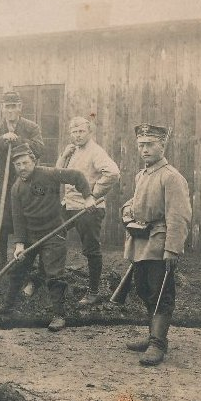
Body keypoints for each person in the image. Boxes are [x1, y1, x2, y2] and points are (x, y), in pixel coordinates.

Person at [0, 143, 96, 332]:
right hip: (31, 236)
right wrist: (19, 244)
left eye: (25, 163)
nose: (22, 167)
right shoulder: (16, 188)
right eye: (18, 164)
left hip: (54, 232)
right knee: (18, 268)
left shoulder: (48, 173)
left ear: (33, 161)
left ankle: (58, 315)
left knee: (54, 274)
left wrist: (88, 197)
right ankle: (7, 306)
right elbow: (18, 218)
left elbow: (77, 176)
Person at [121, 123, 191, 366]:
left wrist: (172, 248)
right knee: (143, 289)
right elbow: (135, 201)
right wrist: (127, 212)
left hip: (160, 243)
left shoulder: (171, 177)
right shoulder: (142, 175)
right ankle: (154, 336)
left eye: (150, 144)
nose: (145, 149)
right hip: (141, 241)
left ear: (162, 145)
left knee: (161, 291)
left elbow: (179, 216)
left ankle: (158, 344)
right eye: (141, 145)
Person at [55, 116, 120, 305]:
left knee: (91, 250)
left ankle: (93, 291)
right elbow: (59, 174)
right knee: (51, 236)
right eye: (74, 132)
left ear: (89, 132)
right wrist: (64, 155)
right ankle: (46, 279)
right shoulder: (73, 150)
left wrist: (92, 195)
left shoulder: (96, 152)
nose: (77, 135)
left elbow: (113, 173)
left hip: (89, 210)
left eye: (81, 131)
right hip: (68, 205)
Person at [0, 92, 44, 274]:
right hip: (5, 179)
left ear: (20, 107)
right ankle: (2, 257)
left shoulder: (31, 127)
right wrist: (2, 140)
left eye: (14, 106)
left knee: (29, 217)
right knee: (1, 217)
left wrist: (18, 139)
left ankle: (28, 256)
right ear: (2, 109)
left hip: (27, 179)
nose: (10, 110)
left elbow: (40, 149)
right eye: (7, 106)